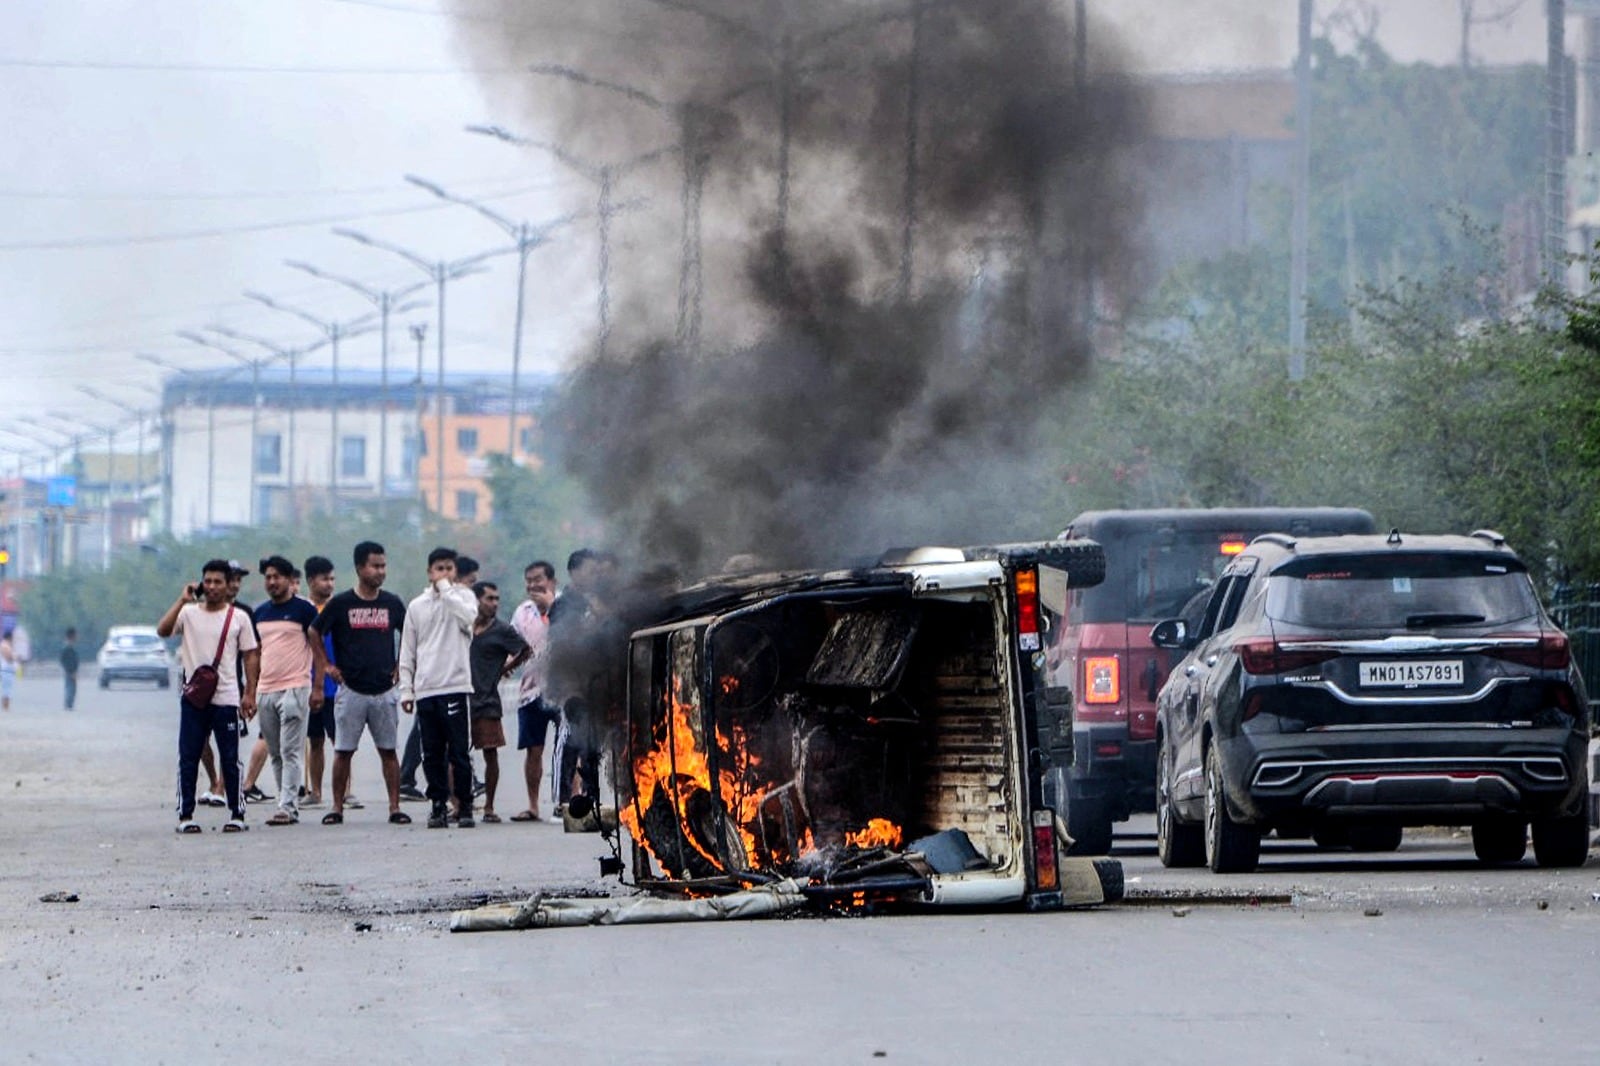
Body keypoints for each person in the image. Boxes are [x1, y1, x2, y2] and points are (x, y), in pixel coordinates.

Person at [311, 541, 410, 826]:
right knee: (343, 751)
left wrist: (402, 664)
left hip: (384, 689)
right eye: (375, 566)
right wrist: (326, 665)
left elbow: (410, 633)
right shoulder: (341, 604)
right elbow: (314, 632)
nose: (381, 571)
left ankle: (394, 807)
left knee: (388, 751)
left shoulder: (392, 603)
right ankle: (337, 807)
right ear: (359, 568)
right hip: (351, 690)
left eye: (383, 566)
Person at [157, 559, 259, 833]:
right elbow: (163, 630)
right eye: (208, 581)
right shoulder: (188, 613)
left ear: (228, 586)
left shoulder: (239, 617)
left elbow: (251, 654)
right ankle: (186, 816)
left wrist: (250, 693)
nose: (212, 587)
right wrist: (182, 599)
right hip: (194, 699)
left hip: (226, 698)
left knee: (230, 758)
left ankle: (237, 813)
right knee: (188, 756)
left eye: (218, 582)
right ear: (202, 584)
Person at [397, 547, 477, 829]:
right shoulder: (417, 606)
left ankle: (465, 805)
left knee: (459, 752)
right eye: (439, 569)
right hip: (427, 689)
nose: (444, 573)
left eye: (449, 568)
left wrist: (447, 590)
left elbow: (469, 618)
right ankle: (438, 805)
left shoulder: (464, 598)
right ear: (429, 572)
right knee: (431, 753)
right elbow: (408, 650)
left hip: (454, 686)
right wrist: (407, 689)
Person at [252, 555, 326, 826]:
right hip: (266, 690)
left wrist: (318, 687)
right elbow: (255, 654)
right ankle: (284, 800)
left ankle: (287, 807)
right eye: (268, 578)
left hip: (295, 688)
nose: (272, 582)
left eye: (277, 577)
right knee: (275, 752)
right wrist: (250, 691)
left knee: (291, 750)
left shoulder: (304, 610)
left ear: (289, 580)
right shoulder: (260, 613)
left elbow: (318, 651)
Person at [468, 581, 530, 823]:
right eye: (489, 599)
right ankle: (459, 803)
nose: (494, 604)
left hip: (487, 700)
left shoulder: (502, 630)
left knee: (490, 753)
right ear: (476, 600)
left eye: (496, 599)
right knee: (454, 754)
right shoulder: (463, 626)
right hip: (460, 697)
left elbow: (524, 650)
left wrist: (505, 668)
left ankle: (489, 806)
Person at [510, 560, 558, 821]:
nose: (532, 585)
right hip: (530, 690)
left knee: (567, 748)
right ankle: (533, 805)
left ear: (551, 581)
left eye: (538, 579)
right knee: (533, 749)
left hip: (562, 688)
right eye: (528, 581)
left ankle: (568, 801)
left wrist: (551, 607)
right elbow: (513, 646)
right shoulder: (522, 612)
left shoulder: (563, 605)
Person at [300, 555, 340, 807]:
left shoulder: (338, 609)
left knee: (341, 742)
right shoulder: (304, 611)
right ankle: (315, 792)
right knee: (315, 741)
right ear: (311, 580)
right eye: (325, 579)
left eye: (332, 579)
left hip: (336, 686)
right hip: (309, 683)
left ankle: (345, 792)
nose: (330, 584)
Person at [59, 628, 80, 711]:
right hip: (70, 671)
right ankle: (68, 705)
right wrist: (70, 671)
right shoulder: (67, 647)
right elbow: (63, 660)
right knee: (70, 688)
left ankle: (69, 704)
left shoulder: (70, 647)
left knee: (72, 688)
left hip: (72, 671)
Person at [0, 629, 17, 711]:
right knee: (7, 690)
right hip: (7, 670)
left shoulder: (4, 645)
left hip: (6, 670)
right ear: (10, 637)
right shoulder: (5, 646)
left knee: (6, 689)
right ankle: (6, 708)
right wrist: (15, 657)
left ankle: (5, 707)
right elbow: (9, 658)